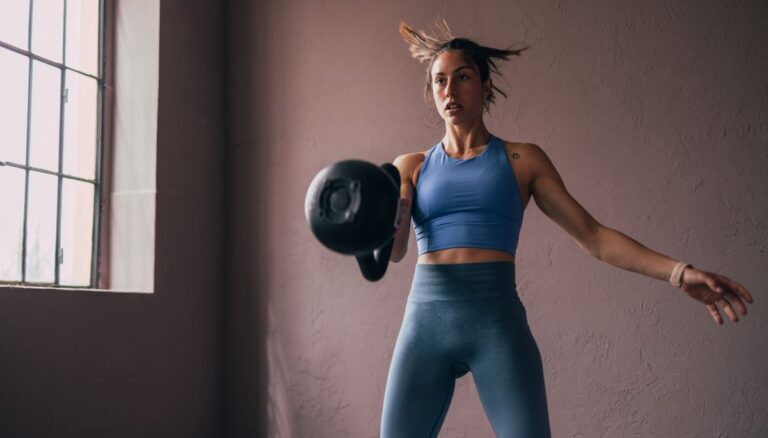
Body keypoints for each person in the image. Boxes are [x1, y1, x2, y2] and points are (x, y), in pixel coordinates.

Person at [381, 20, 755, 438]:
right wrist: (386, 215)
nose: (449, 91)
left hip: (496, 329)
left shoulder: (523, 160)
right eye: (439, 81)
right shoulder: (410, 166)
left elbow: (594, 236)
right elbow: (393, 252)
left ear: (486, 85)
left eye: (462, 77)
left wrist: (679, 272)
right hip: (425, 327)